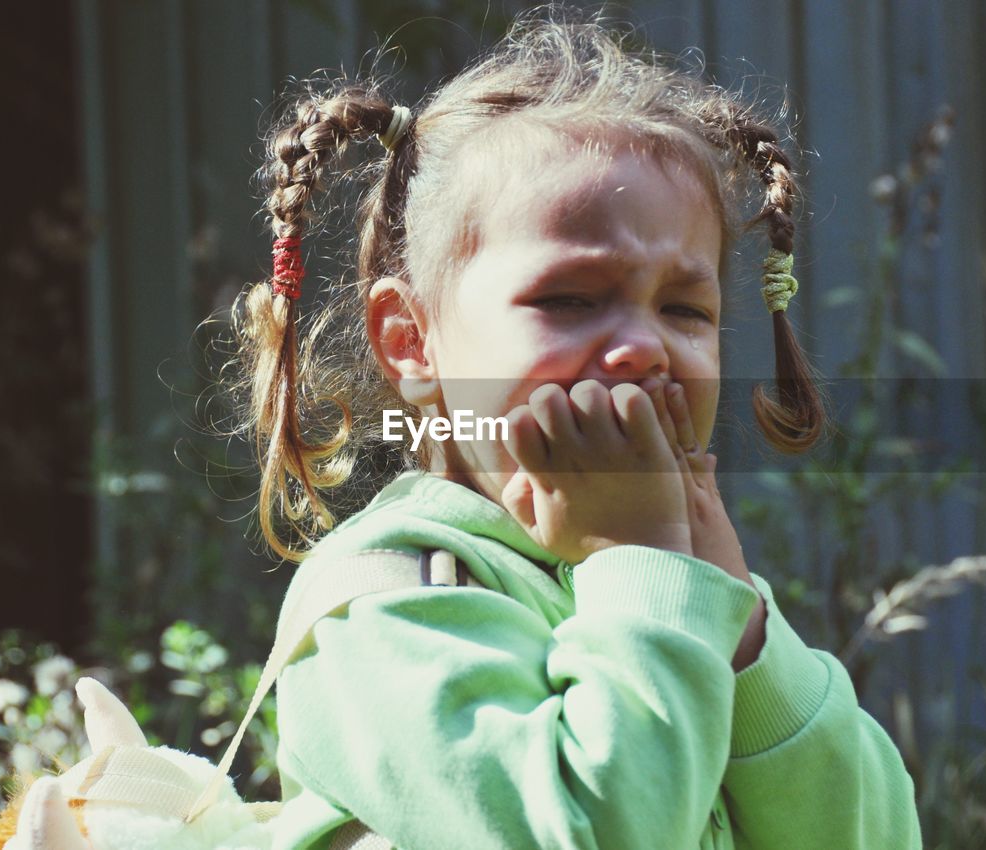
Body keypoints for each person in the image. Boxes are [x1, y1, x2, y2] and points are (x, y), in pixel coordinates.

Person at [224, 7, 922, 848]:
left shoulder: (677, 585)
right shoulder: (386, 606)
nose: (642, 349)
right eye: (570, 299)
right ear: (411, 340)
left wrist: (746, 648)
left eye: (685, 309)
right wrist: (645, 567)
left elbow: (873, 834)